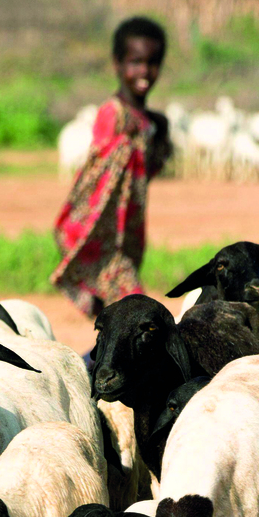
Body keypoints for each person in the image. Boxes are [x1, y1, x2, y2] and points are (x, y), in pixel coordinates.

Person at [50, 16, 171, 319]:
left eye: (152, 62)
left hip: (130, 241)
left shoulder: (146, 120)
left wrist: (160, 130)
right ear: (117, 63)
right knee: (136, 315)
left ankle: (92, 363)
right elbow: (98, 176)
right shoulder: (113, 115)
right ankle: (86, 365)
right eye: (136, 62)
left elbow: (146, 172)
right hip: (105, 246)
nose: (144, 71)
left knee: (118, 323)